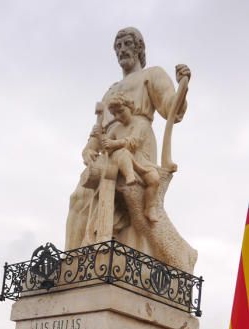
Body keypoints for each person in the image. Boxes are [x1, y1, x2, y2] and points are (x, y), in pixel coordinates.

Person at [65, 26, 191, 249]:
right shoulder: (111, 90)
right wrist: (89, 147)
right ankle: (73, 261)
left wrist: (183, 86)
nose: (122, 50)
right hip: (108, 146)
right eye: (118, 46)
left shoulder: (151, 75)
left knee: (120, 191)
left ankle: (115, 250)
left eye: (127, 44)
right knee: (78, 198)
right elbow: (99, 128)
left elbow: (171, 109)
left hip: (137, 140)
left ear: (139, 48)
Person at [101, 93, 160, 223]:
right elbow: (106, 145)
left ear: (130, 107)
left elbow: (134, 142)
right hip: (122, 159)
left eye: (121, 112)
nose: (118, 117)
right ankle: (129, 176)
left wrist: (114, 143)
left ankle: (150, 207)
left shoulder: (141, 123)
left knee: (154, 179)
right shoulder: (116, 129)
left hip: (141, 161)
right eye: (114, 114)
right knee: (122, 153)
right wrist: (105, 144)